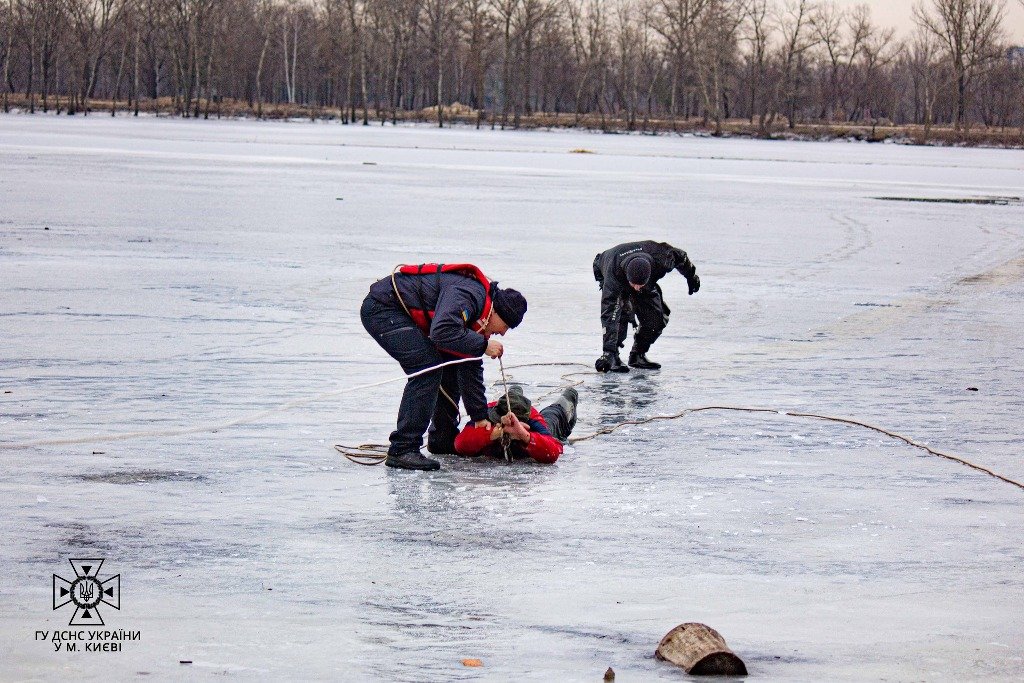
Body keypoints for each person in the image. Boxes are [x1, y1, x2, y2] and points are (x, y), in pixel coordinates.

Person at [361, 263, 527, 471]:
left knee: (448, 361)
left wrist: (480, 417)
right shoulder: (470, 295)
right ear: (497, 313)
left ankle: (442, 438)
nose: (503, 334)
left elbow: (468, 363)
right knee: (428, 367)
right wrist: (483, 345)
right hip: (383, 309)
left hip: (393, 311)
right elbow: (442, 331)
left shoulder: (479, 316)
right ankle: (403, 448)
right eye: (506, 326)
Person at [592, 240, 700, 373]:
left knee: (657, 317)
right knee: (621, 313)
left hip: (646, 280)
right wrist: (607, 351)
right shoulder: (614, 274)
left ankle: (638, 354)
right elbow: (609, 311)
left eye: (640, 284)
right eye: (634, 284)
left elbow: (681, 258)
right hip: (613, 270)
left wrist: (692, 276)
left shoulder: (662, 257)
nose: (637, 288)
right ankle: (613, 355)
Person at [453, 385, 578, 463]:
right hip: (500, 408)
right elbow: (460, 444)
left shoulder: (532, 418)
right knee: (513, 399)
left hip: (533, 421)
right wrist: (494, 433)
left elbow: (554, 451)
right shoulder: (486, 414)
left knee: (552, 417)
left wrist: (524, 436)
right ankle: (515, 391)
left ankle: (567, 400)